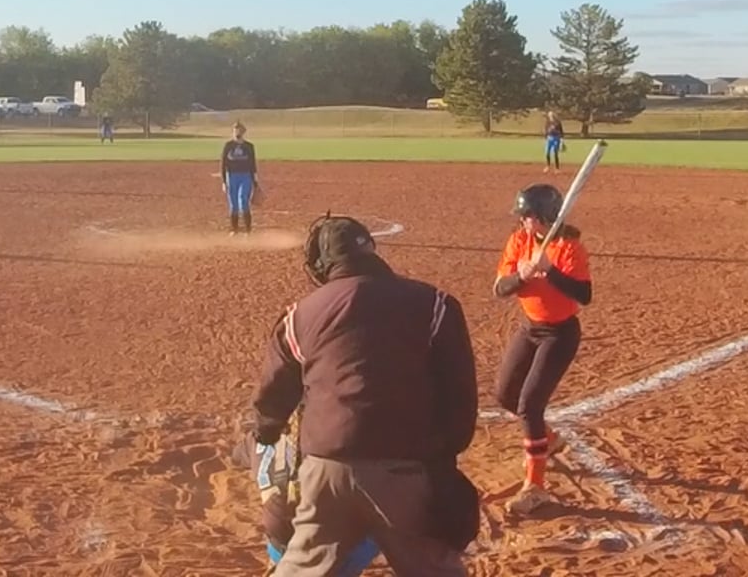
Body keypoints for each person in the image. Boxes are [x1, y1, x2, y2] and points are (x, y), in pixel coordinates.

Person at [251, 215, 479, 576]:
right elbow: (459, 397)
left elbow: (272, 400)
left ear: (322, 265)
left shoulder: (299, 315)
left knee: (304, 564)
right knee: (433, 567)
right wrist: (441, 459)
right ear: (372, 251)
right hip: (403, 469)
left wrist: (265, 432)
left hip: (326, 469)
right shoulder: (435, 304)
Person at [492, 183, 593, 517]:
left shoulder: (569, 246)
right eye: (523, 216)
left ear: (546, 216)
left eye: (530, 216)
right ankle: (548, 440)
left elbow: (584, 295)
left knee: (530, 405)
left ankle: (535, 488)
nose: (524, 222)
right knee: (506, 395)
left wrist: (550, 271)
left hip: (560, 334)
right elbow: (500, 288)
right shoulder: (519, 240)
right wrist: (521, 276)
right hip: (531, 328)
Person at [252, 410, 381, 575]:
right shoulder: (335, 441)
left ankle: (279, 567)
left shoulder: (258, 440)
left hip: (281, 541)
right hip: (332, 547)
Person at [222, 122, 260, 234]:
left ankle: (248, 230)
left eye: (239, 130)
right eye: (235, 130)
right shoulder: (228, 146)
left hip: (245, 176)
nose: (236, 133)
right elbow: (223, 164)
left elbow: (252, 164)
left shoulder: (249, 146)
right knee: (233, 204)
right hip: (232, 176)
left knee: (243, 200)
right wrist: (224, 181)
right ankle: (234, 229)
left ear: (243, 132)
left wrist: (255, 181)